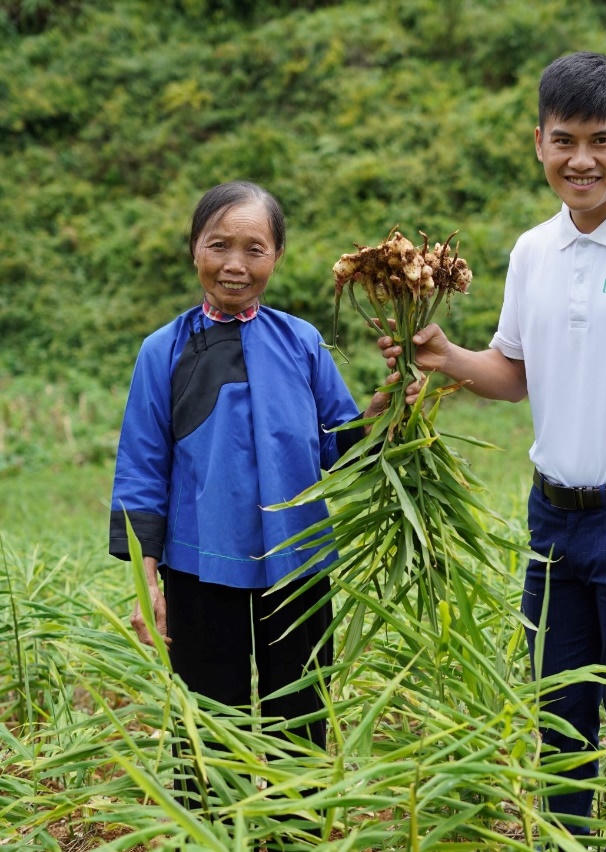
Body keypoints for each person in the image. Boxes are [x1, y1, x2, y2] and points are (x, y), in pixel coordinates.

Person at [378, 52, 606, 848]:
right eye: (563, 140)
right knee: (557, 711)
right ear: (537, 141)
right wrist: (444, 356)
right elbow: (512, 375)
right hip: (553, 520)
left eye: (600, 140)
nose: (581, 160)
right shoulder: (533, 251)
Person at [109, 180, 391, 806]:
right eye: (219, 245)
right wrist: (145, 583)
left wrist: (386, 406)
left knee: (301, 716)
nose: (235, 264)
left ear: (276, 257)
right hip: (200, 568)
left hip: (299, 563)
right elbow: (141, 470)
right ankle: (211, 833)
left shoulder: (302, 342)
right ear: (194, 249)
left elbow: (342, 446)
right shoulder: (162, 351)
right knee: (210, 726)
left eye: (254, 249)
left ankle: (295, 835)